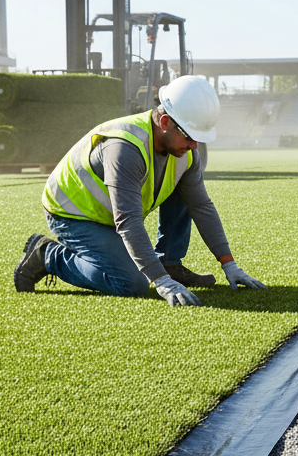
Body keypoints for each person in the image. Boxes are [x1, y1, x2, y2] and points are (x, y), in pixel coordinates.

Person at [14, 75, 266, 306]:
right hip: (74, 214)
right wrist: (159, 280)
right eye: (190, 137)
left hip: (112, 213)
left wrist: (229, 264)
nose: (194, 145)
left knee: (185, 192)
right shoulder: (124, 148)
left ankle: (169, 263)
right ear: (165, 122)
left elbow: (201, 206)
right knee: (132, 283)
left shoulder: (186, 151)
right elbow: (128, 221)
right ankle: (47, 255)